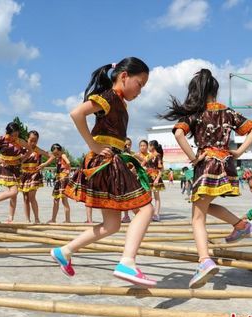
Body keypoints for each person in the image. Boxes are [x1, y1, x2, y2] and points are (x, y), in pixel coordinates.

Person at [51, 57, 156, 286]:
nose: (140, 91)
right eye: (140, 84)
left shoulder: (119, 101)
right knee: (146, 208)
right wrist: (93, 145)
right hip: (106, 161)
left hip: (109, 160)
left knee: (112, 225)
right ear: (124, 77)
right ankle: (127, 262)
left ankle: (65, 251)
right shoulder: (109, 97)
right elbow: (76, 113)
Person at [162, 68, 252, 288]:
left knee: (197, 218)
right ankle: (241, 225)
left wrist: (193, 158)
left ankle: (204, 260)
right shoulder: (227, 111)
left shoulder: (196, 113)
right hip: (226, 164)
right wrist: (239, 152)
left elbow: (179, 133)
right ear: (214, 90)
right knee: (205, 206)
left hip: (206, 163)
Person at [0, 122, 31, 222]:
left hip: (16, 168)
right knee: (14, 191)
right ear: (7, 132)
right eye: (12, 135)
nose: (14, 137)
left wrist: (22, 159)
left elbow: (30, 150)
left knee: (14, 195)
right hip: (5, 167)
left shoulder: (20, 141)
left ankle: (10, 218)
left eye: (16, 135)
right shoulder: (1, 139)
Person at [19, 130, 50, 223]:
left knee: (32, 197)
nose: (33, 142)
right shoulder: (21, 149)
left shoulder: (37, 149)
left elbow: (51, 156)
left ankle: (37, 218)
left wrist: (44, 164)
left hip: (34, 174)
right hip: (24, 175)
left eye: (35, 140)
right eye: (31, 140)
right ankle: (27, 219)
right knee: (25, 198)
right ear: (27, 139)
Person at [39, 143, 71, 223]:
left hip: (63, 179)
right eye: (54, 154)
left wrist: (67, 174)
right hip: (58, 179)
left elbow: (69, 163)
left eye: (57, 153)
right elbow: (49, 160)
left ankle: (67, 220)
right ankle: (53, 219)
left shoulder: (63, 155)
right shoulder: (58, 158)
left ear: (61, 151)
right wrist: (44, 164)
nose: (56, 155)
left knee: (64, 200)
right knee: (56, 200)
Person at [145, 140, 165, 221]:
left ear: (152, 146)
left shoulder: (158, 156)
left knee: (156, 197)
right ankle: (149, 213)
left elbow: (161, 169)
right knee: (148, 198)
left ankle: (156, 214)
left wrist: (157, 179)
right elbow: (143, 164)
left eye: (149, 146)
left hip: (155, 178)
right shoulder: (149, 156)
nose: (148, 147)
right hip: (148, 177)